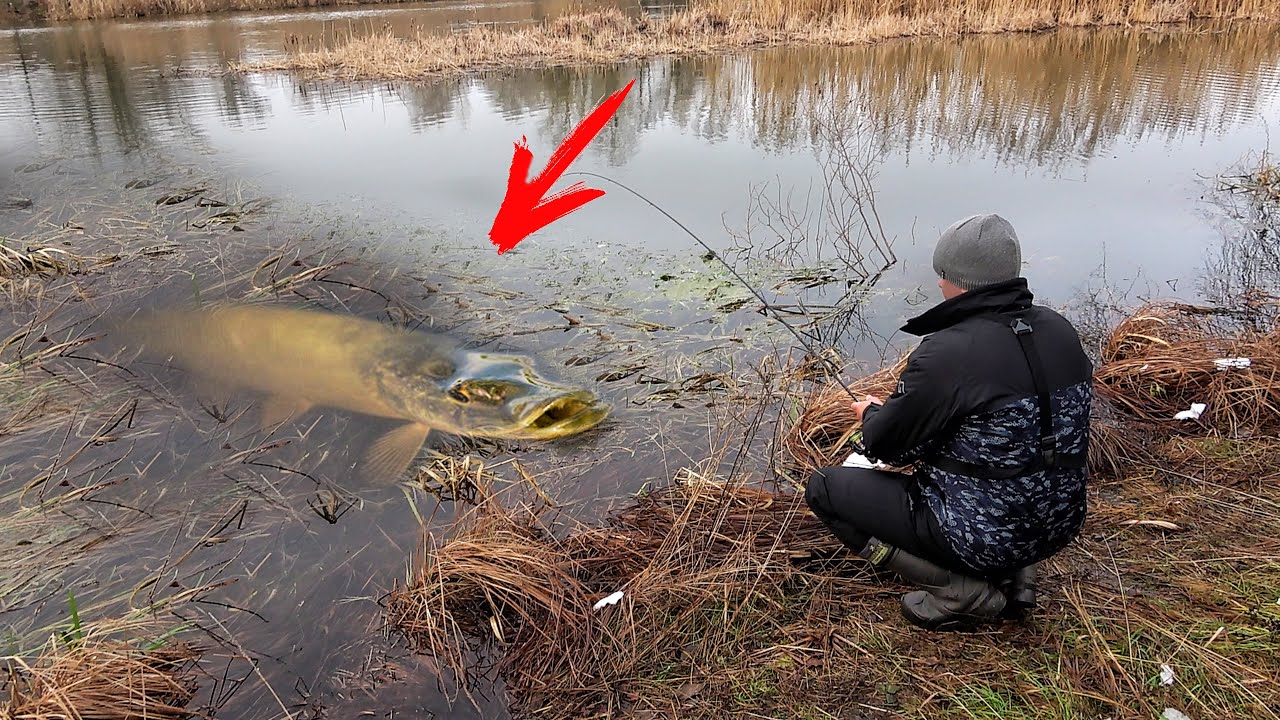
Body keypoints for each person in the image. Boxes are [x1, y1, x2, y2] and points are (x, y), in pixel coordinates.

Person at [804, 213, 1093, 631]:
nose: (939, 283)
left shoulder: (949, 352)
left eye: (944, 274)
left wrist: (869, 415)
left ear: (961, 281)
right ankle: (1020, 572)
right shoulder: (1059, 330)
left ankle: (958, 587)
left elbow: (887, 447)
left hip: (981, 536)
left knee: (824, 489)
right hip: (1060, 523)